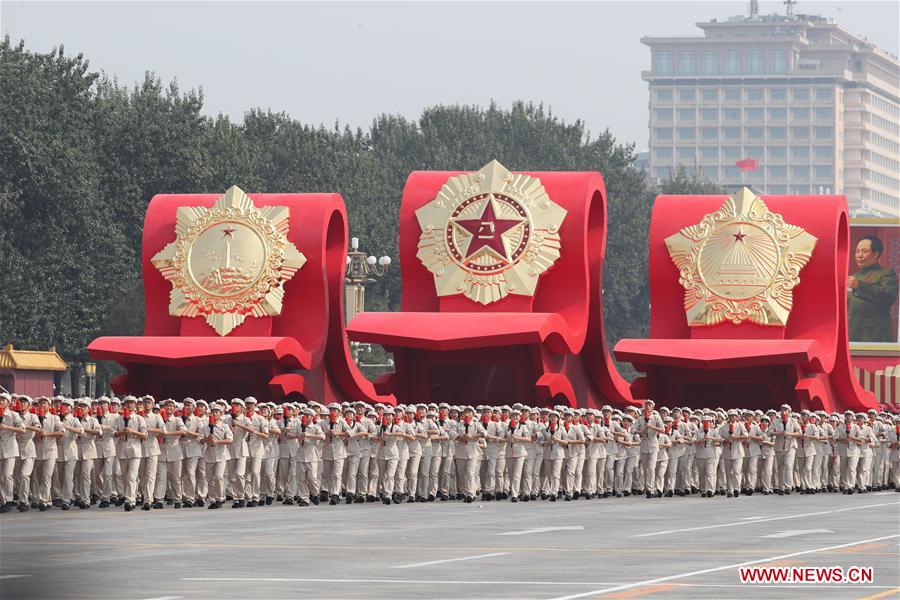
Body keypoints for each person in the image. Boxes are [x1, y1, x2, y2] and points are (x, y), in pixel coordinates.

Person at [848, 235, 898, 343]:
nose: (859, 255)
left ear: (876, 254)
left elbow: (888, 297)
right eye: (857, 251)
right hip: (853, 332)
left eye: (864, 251)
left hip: (875, 334)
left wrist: (860, 285)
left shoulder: (886, 273)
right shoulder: (855, 276)